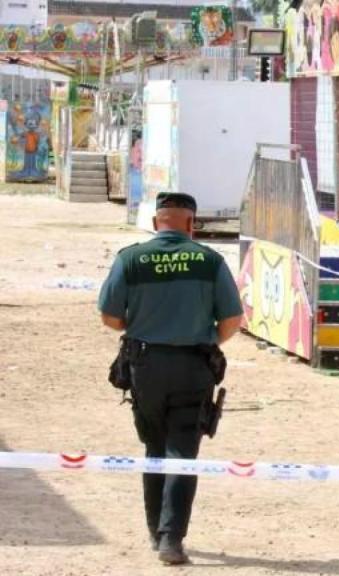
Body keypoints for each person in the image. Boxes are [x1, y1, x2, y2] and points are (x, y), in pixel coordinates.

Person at [98, 192, 243, 565]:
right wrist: (207, 340)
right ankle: (170, 539)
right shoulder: (210, 261)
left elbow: (110, 317)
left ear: (155, 222)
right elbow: (231, 319)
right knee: (184, 452)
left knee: (154, 447)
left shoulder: (130, 258)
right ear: (191, 224)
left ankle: (154, 530)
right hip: (194, 366)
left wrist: (145, 328)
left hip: (145, 366)